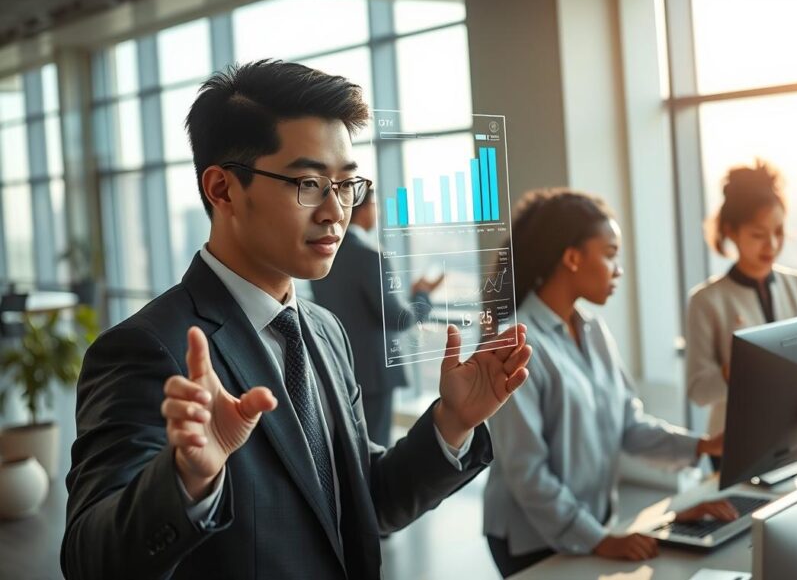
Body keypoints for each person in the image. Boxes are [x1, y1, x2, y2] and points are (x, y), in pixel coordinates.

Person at [61, 60, 532, 580]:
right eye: (309, 183)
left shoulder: (325, 332)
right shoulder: (148, 349)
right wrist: (184, 483)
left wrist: (453, 422)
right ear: (222, 190)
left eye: (347, 184)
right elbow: (89, 560)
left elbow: (365, 503)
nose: (335, 210)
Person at [482, 189, 735, 578]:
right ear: (572, 257)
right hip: (530, 539)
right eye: (610, 253)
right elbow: (527, 472)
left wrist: (702, 445)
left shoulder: (594, 331)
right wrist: (599, 538)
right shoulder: (515, 342)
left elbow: (628, 426)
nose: (618, 269)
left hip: (588, 525)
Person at [686, 160, 797, 438]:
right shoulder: (706, 301)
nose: (771, 245)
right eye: (758, 235)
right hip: (734, 440)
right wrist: (732, 371)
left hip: (796, 432)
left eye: (779, 232)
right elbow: (698, 392)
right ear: (732, 232)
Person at [312, 186, 444, 447]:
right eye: (376, 207)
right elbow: (397, 318)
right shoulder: (371, 255)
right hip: (374, 375)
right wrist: (422, 296)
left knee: (347, 449)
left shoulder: (321, 254)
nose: (378, 213)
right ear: (364, 209)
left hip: (336, 365)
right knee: (374, 450)